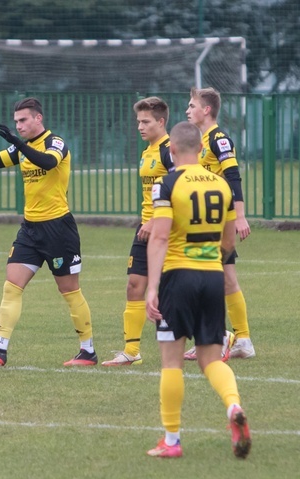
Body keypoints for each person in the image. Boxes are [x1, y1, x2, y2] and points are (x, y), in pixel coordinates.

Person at [0, 98, 97, 367]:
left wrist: (20, 144)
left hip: (58, 229)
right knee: (12, 286)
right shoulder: (21, 147)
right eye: (16, 121)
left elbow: (48, 162)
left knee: (69, 290)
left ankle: (87, 350)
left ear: (38, 118)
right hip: (30, 230)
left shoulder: (55, 143)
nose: (19, 125)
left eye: (23, 120)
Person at [143, 121, 252, 459]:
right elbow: (229, 240)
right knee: (210, 359)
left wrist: (152, 287)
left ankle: (171, 441)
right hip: (213, 277)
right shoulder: (221, 184)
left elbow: (160, 236)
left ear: (172, 150)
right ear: (202, 150)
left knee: (171, 362)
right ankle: (233, 406)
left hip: (179, 277)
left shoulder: (167, 183)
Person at [103, 96, 175, 367]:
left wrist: (155, 221)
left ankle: (219, 334)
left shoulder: (170, 150)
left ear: (161, 121)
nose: (140, 127)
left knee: (173, 293)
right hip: (144, 228)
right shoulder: (148, 151)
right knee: (134, 285)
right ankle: (131, 351)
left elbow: (179, 187)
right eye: (138, 122)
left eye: (146, 122)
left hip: (165, 230)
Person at [185, 87, 256, 359]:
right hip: (204, 221)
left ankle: (219, 338)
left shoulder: (219, 139)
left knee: (205, 279)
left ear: (206, 110)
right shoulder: (199, 141)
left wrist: (240, 216)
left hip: (217, 223)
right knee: (224, 279)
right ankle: (239, 340)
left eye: (192, 106)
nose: (187, 111)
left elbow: (233, 176)